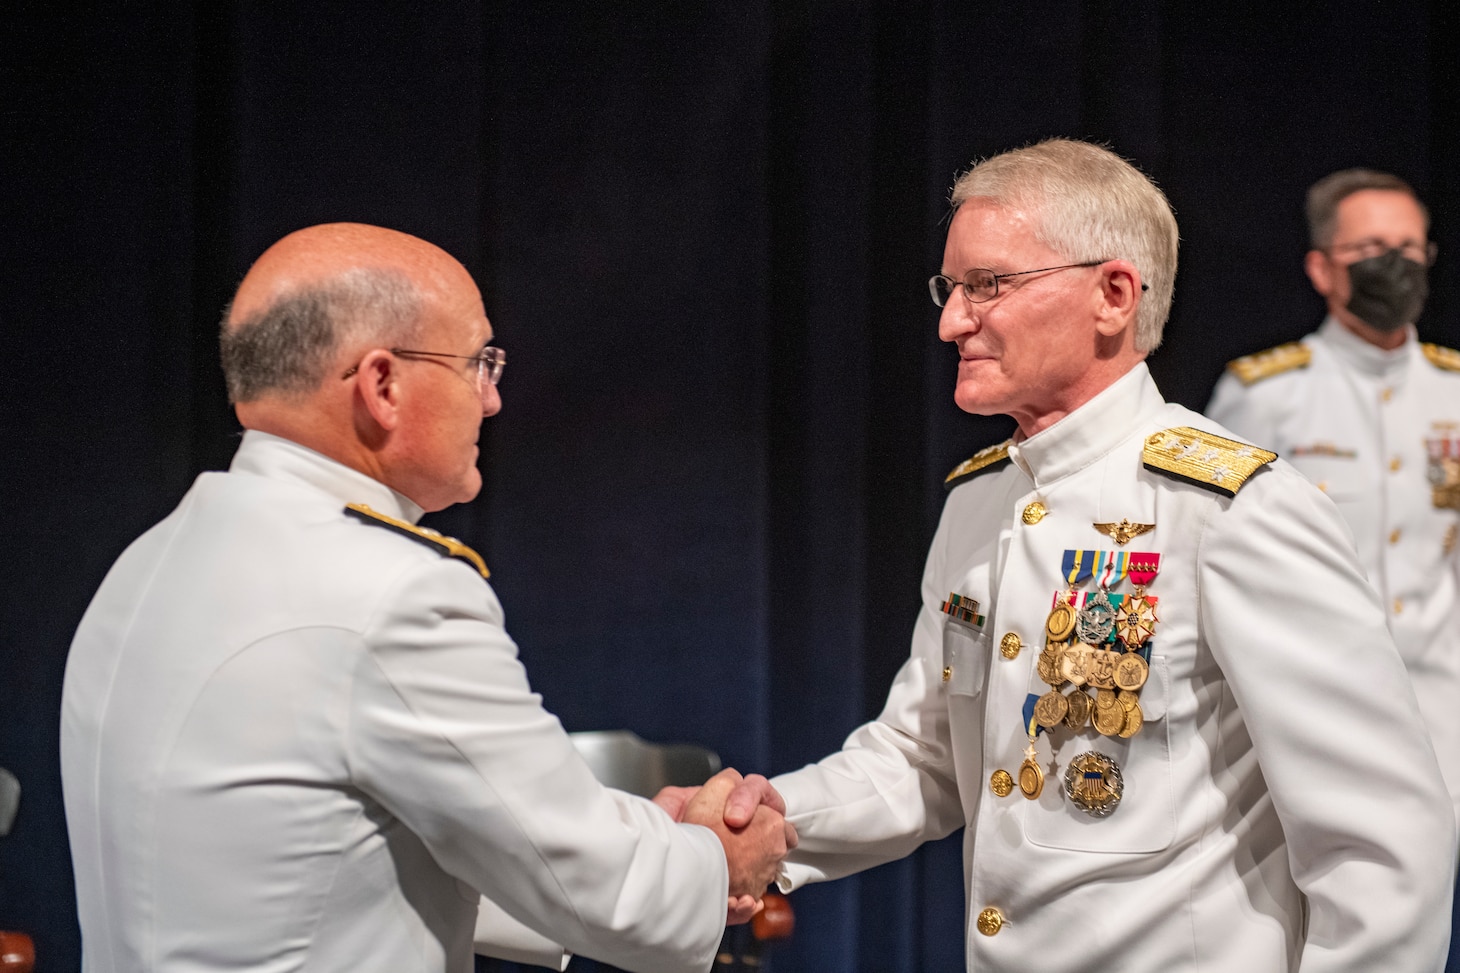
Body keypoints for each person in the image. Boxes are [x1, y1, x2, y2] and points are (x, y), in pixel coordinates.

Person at [752, 141, 1456, 970]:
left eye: (989, 285)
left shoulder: (1230, 507)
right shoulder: (978, 502)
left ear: (1113, 295)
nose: (951, 321)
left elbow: (1379, 845)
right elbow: (926, 755)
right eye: (951, 288)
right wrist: (764, 821)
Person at [60, 223, 791, 973]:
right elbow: (599, 882)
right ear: (382, 385)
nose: (494, 398)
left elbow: (324, 849)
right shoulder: (391, 592)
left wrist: (643, 829)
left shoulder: (146, 564)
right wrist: (717, 854)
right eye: (479, 361)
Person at [1207, 166, 1460, 972]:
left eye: (1409, 247)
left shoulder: (1454, 390)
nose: (1395, 263)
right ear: (1323, 266)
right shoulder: (1266, 393)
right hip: (1302, 713)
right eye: (1372, 247)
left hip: (1438, 715)